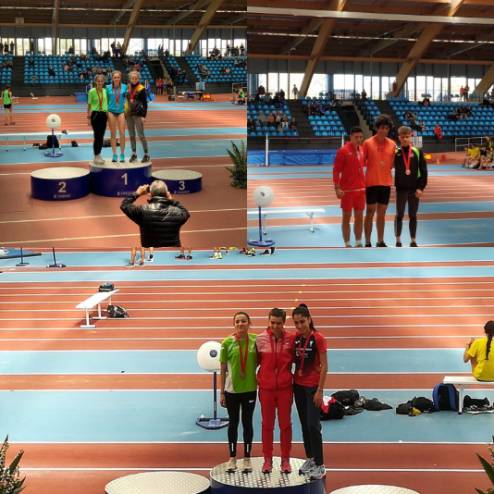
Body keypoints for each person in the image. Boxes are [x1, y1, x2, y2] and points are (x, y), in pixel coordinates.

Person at [256, 308, 295, 474]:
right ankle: (267, 459)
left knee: (285, 425)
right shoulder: (260, 339)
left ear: (284, 322)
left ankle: (285, 460)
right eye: (272, 323)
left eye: (278, 323)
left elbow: (297, 359)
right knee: (267, 425)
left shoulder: (292, 339)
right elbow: (256, 361)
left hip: (285, 389)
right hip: (266, 389)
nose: (275, 326)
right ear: (268, 321)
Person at [292, 304, 328, 481]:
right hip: (298, 386)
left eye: (302, 321)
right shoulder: (296, 338)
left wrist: (320, 391)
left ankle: (320, 465)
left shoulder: (318, 338)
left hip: (312, 388)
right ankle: (311, 458)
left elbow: (325, 366)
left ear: (309, 319)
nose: (299, 325)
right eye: (296, 322)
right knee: (305, 425)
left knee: (313, 425)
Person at [220, 312, 258, 473]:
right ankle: (232, 457)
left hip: (250, 389)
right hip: (232, 391)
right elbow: (222, 368)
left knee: (247, 423)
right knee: (233, 423)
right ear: (234, 324)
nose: (240, 324)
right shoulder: (227, 343)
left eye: (243, 321)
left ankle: (247, 458)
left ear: (249, 323)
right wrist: (222, 392)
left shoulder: (256, 341)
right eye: (237, 321)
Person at [120, 180, 190, 249]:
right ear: (167, 194)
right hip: (173, 252)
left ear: (150, 194)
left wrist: (137, 193)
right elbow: (186, 213)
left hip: (150, 253)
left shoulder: (142, 211)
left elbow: (124, 205)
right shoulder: (177, 212)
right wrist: (171, 200)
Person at [362, 114, 397, 247]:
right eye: (382, 127)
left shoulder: (392, 144)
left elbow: (394, 163)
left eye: (386, 128)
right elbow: (361, 162)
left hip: (386, 183)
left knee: (381, 213)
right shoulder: (367, 143)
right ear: (377, 128)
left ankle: (380, 241)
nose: (384, 130)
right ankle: (367, 241)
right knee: (370, 212)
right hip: (371, 183)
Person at [394, 126, 428, 247]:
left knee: (413, 215)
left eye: (407, 137)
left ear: (411, 137)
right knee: (399, 215)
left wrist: (420, 188)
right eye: (402, 137)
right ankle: (398, 240)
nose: (404, 139)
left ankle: (413, 240)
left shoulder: (417, 152)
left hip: (414, 190)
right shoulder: (395, 152)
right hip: (401, 189)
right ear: (399, 137)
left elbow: (424, 172)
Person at [333, 127, 366, 248]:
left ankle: (358, 241)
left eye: (360, 137)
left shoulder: (362, 150)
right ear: (351, 137)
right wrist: (337, 188)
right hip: (347, 191)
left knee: (359, 218)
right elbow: (336, 171)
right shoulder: (343, 151)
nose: (358, 139)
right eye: (356, 137)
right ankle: (347, 243)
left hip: (361, 190)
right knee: (346, 218)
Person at [125, 70, 150, 163]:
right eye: (132, 78)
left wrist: (144, 116)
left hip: (138, 114)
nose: (134, 79)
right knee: (131, 135)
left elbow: (145, 103)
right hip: (129, 114)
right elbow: (127, 100)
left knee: (141, 135)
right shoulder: (128, 87)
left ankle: (146, 154)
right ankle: (134, 154)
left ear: (138, 78)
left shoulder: (141, 88)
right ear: (130, 79)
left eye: (136, 78)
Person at [87, 74, 108, 165]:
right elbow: (89, 105)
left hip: (104, 115)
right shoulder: (91, 91)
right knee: (97, 136)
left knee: (101, 136)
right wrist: (88, 118)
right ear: (95, 82)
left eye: (101, 81)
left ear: (103, 82)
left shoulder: (105, 91)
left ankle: (99, 154)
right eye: (98, 81)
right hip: (95, 114)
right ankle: (96, 155)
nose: (100, 82)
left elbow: (107, 103)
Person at [106, 71, 127, 163]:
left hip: (121, 111)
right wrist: (107, 110)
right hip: (111, 111)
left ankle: (122, 154)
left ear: (120, 78)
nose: (117, 79)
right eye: (115, 77)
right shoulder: (107, 87)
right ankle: (114, 154)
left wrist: (126, 107)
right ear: (112, 78)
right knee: (113, 133)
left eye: (118, 77)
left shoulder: (125, 87)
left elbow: (126, 98)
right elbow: (106, 100)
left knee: (122, 133)